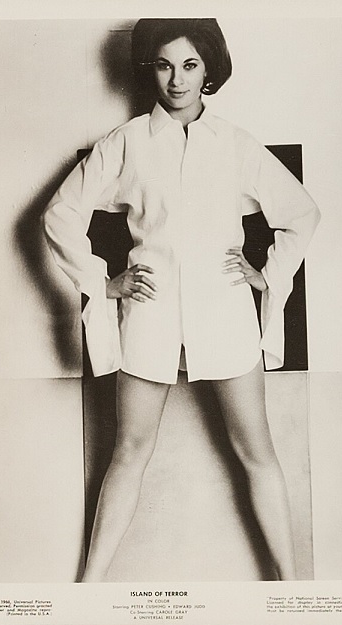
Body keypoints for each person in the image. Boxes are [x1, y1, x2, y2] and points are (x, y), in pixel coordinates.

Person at [42, 18, 320, 582]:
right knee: (128, 454)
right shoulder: (126, 143)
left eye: (190, 65)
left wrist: (266, 274)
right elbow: (60, 215)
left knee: (258, 452)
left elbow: (302, 213)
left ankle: (291, 589)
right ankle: (87, 591)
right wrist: (102, 282)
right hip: (151, 311)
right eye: (164, 65)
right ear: (149, 69)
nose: (177, 80)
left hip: (225, 312)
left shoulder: (236, 144)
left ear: (208, 69)